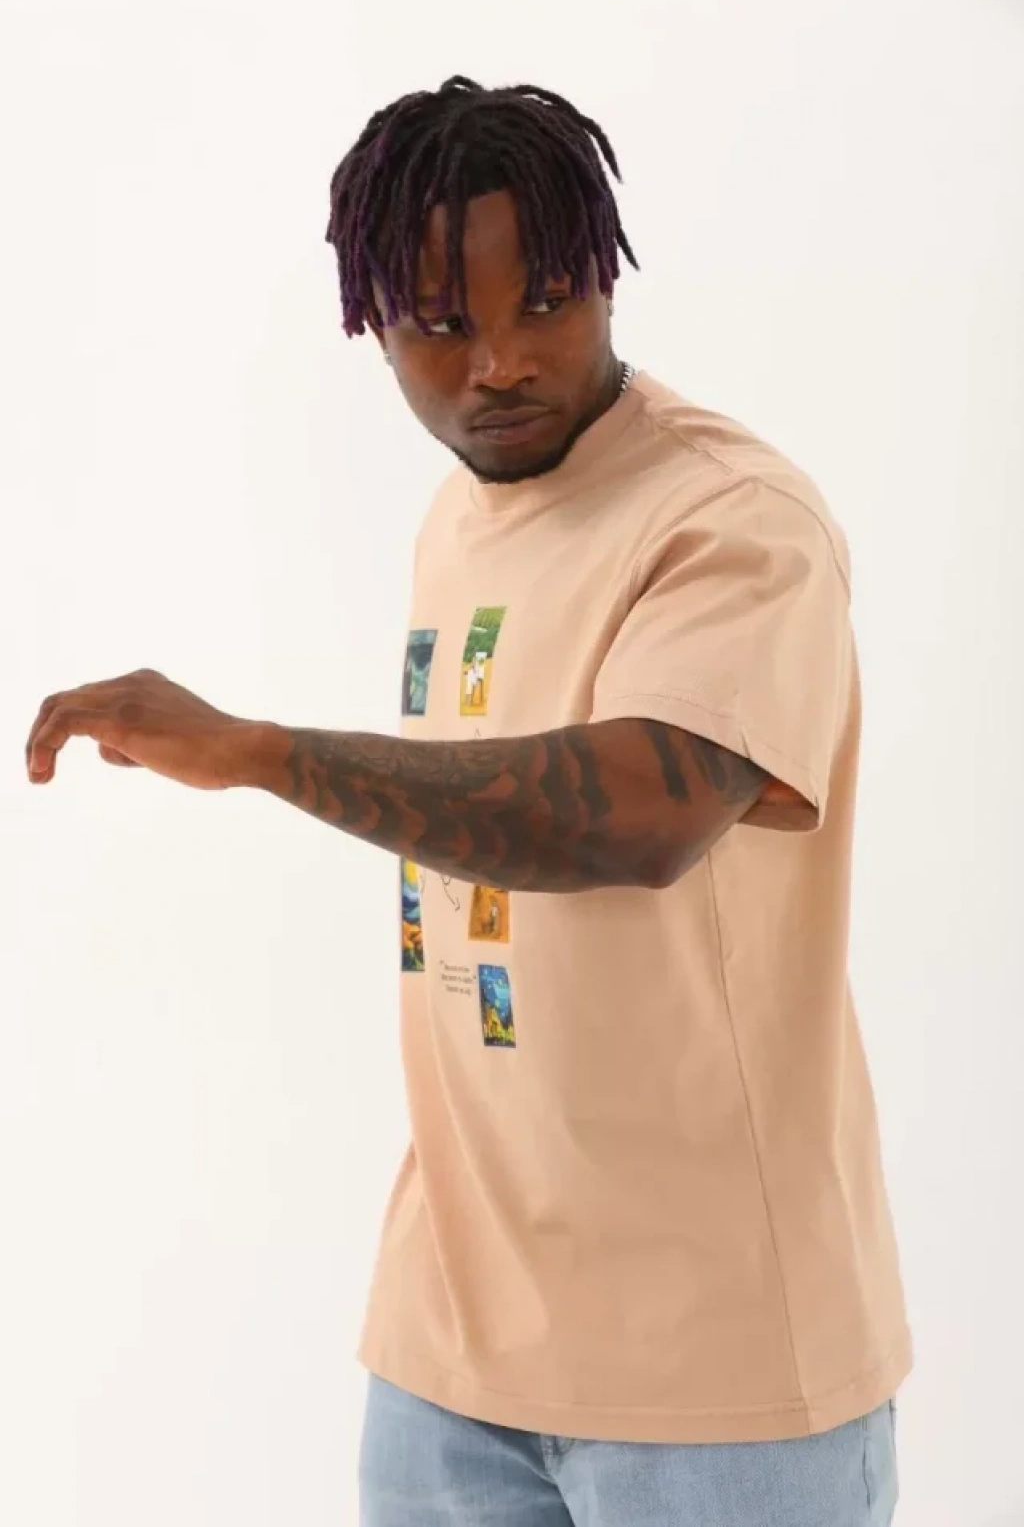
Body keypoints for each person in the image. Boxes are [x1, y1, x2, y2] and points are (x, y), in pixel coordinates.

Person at [25, 75, 911, 1526]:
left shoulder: (731, 519)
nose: (502, 363)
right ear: (372, 326)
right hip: (448, 1359)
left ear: (606, 278)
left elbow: (638, 814)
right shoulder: (461, 512)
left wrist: (260, 751)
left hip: (714, 1375)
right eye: (442, 324)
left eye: (546, 303)